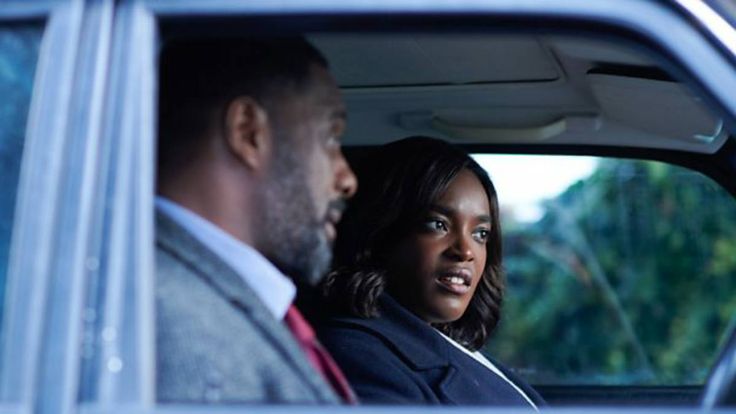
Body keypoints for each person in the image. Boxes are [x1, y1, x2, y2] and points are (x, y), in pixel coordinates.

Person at [155, 37, 357, 404]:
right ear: (249, 132)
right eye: (330, 137)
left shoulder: (197, 293)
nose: (347, 179)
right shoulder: (176, 324)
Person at [317, 136, 544, 408]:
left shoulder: (443, 342)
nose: (465, 250)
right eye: (438, 224)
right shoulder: (356, 355)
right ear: (381, 231)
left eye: (480, 233)